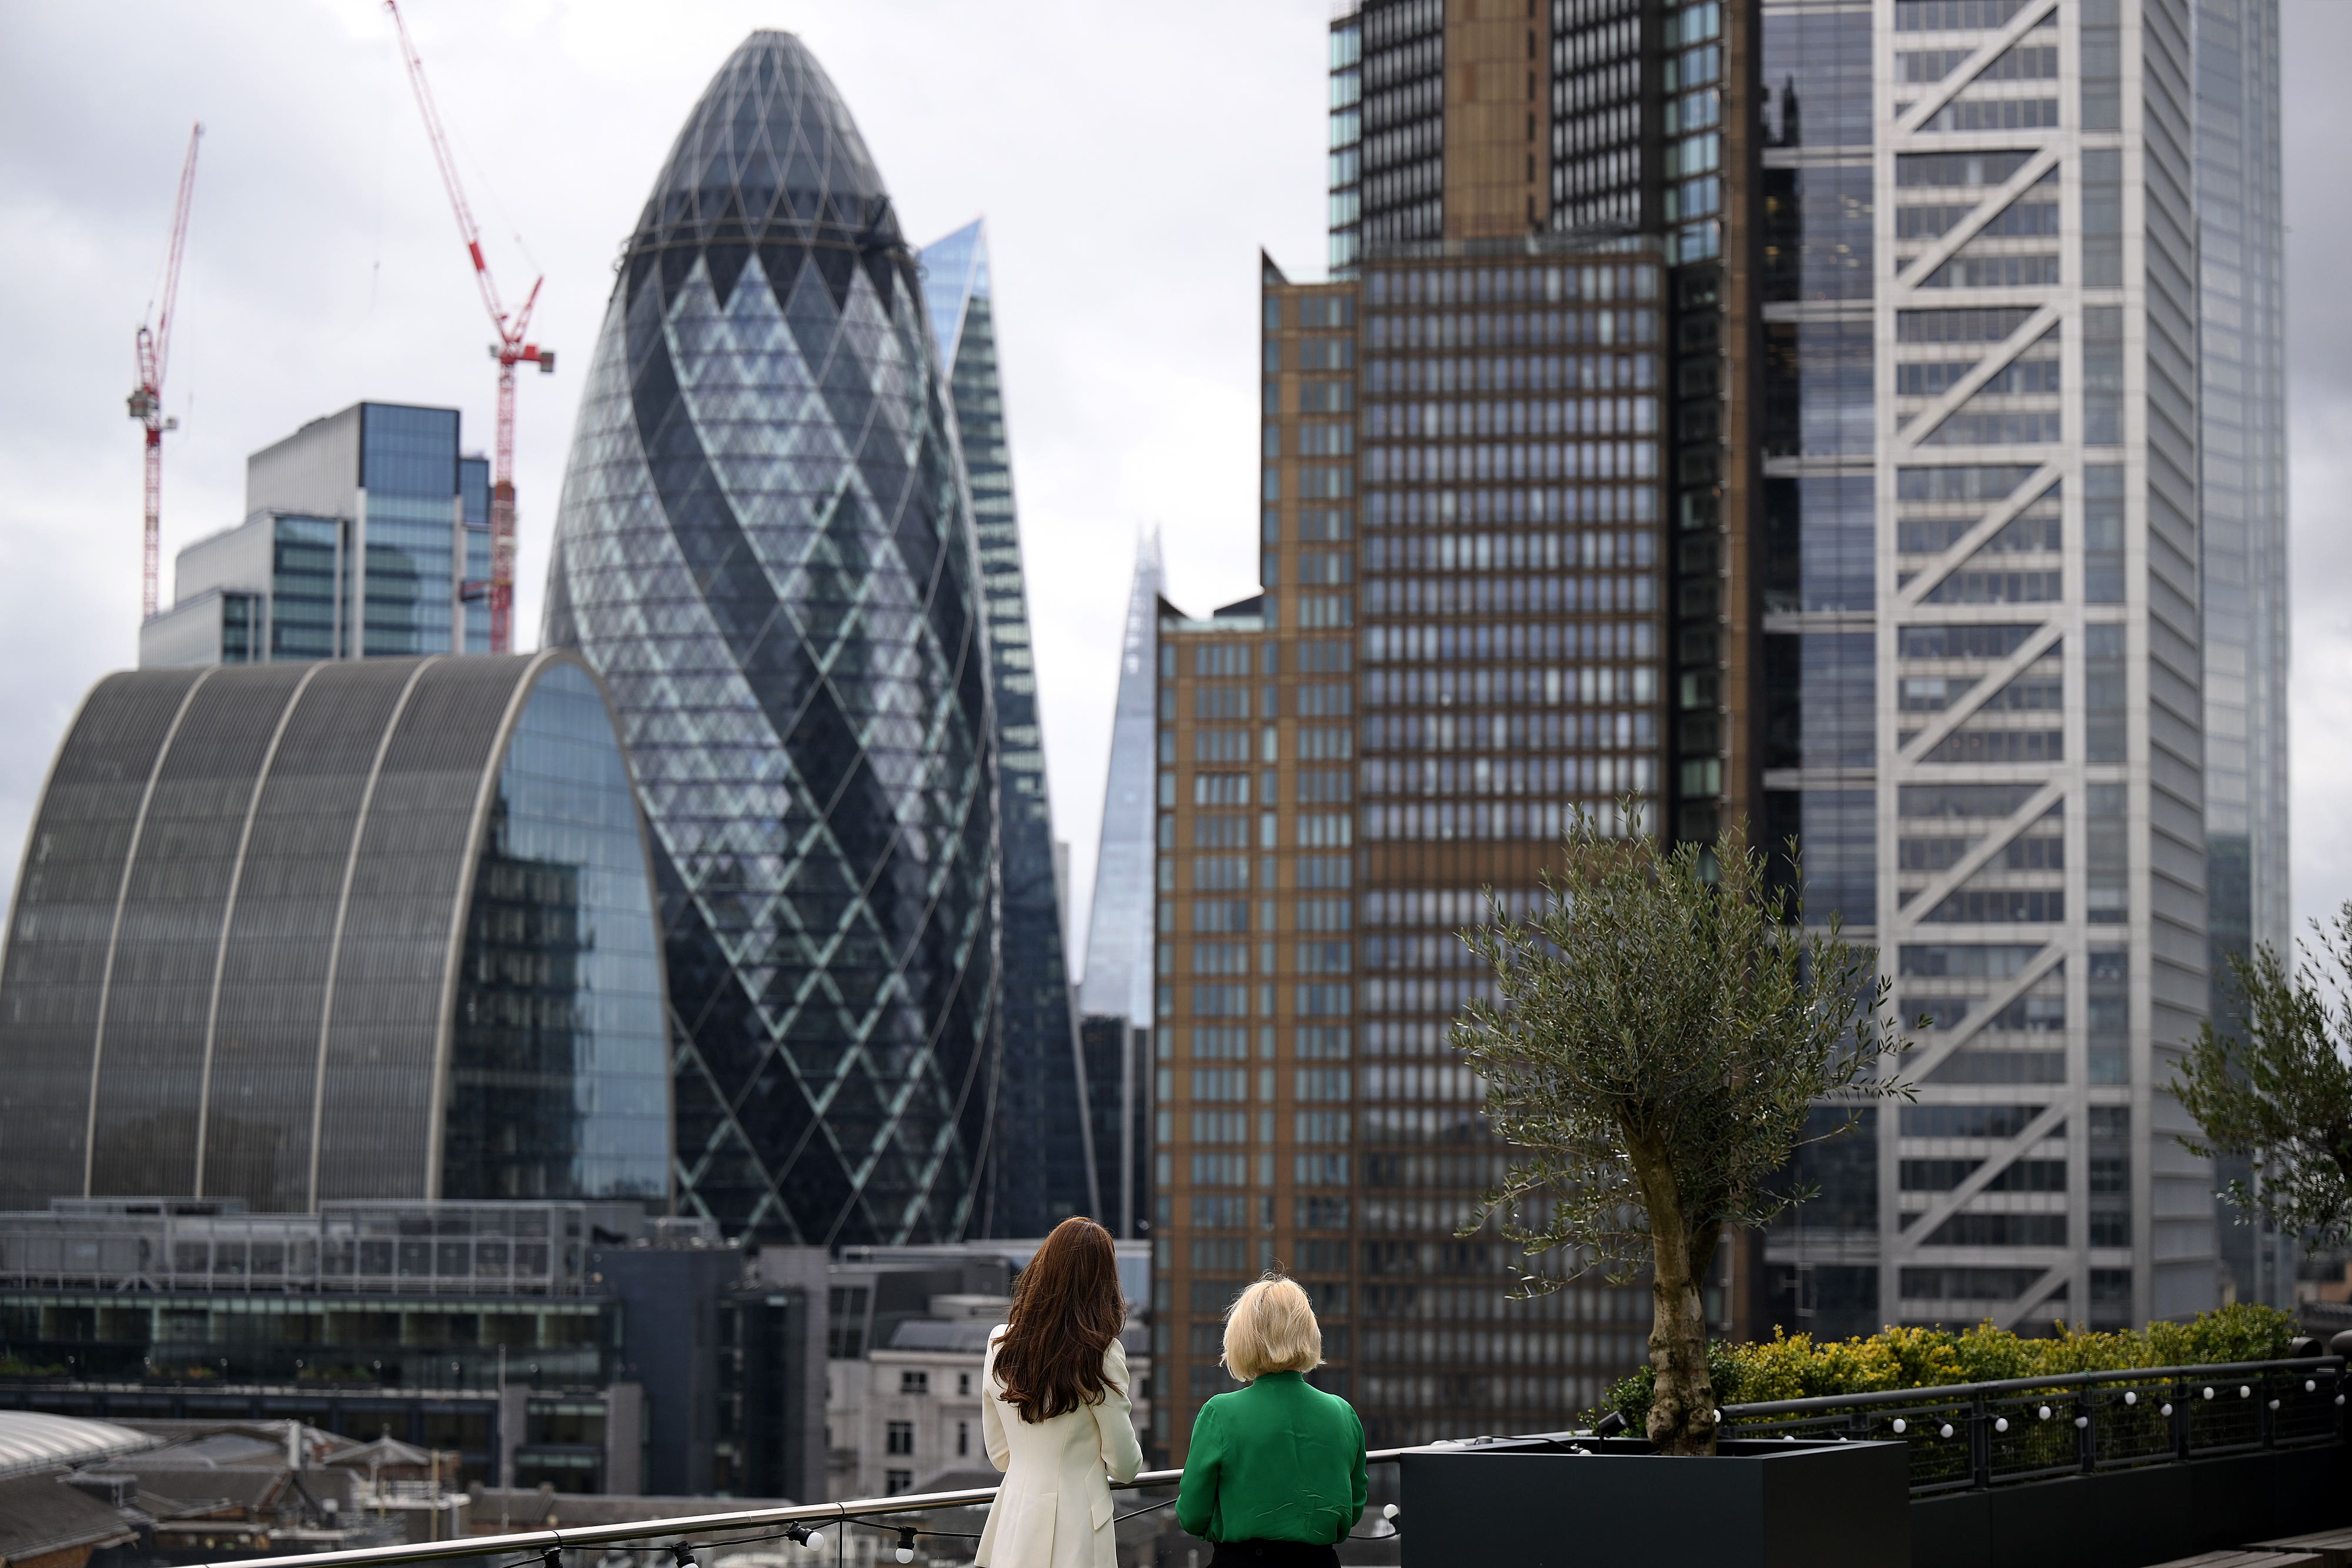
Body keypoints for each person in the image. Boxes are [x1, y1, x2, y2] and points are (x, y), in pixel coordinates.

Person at [977, 1217, 1144, 1568]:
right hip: (1078, 1529)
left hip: (1014, 1524)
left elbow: (999, 1455)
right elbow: (1126, 1466)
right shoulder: (1101, 1354)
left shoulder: (999, 1345)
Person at [1176, 1276, 1368, 1568]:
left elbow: (1191, 1515)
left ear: (1243, 1337)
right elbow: (1352, 1510)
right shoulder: (1343, 1413)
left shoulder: (1220, 1413)